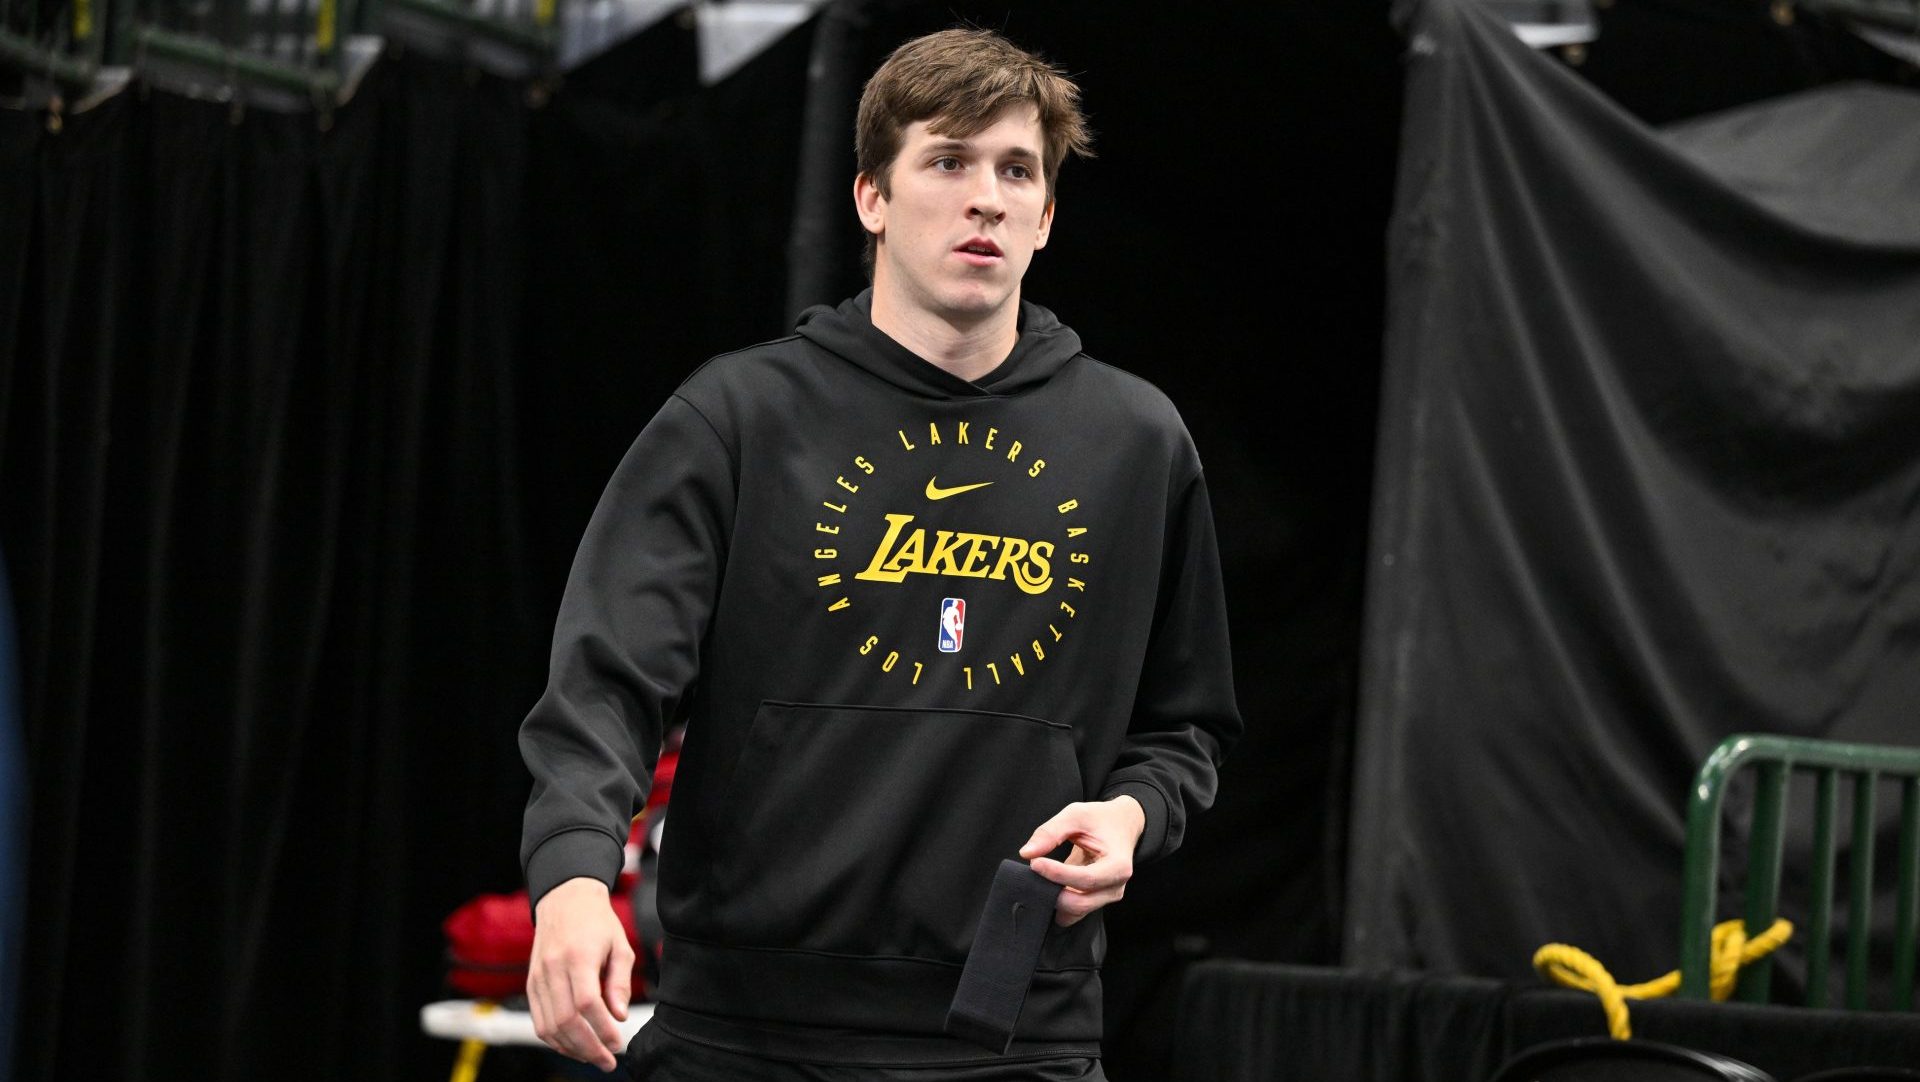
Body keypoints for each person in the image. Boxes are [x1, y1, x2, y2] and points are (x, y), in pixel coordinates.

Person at [519, 27, 1241, 1081]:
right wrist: (572, 877)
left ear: (1046, 214)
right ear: (871, 197)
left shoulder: (1136, 445)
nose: (983, 197)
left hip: (1012, 1035)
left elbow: (1186, 724)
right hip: (743, 1033)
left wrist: (1136, 811)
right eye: (947, 161)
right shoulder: (738, 417)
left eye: (1016, 170)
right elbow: (604, 686)